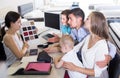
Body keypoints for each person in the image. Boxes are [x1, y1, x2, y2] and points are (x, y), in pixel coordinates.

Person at [46, 8, 116, 68]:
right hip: (81, 57)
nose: (68, 21)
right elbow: (70, 44)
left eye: (70, 19)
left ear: (79, 19)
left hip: (87, 62)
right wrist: (55, 47)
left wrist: (109, 57)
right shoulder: (73, 30)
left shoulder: (89, 30)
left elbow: (112, 46)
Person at [62, 11, 111, 78]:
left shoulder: (102, 46)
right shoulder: (89, 37)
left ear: (94, 23)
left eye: (87, 19)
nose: (85, 20)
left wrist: (75, 68)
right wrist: (62, 56)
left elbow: (97, 73)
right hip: (84, 73)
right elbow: (75, 49)